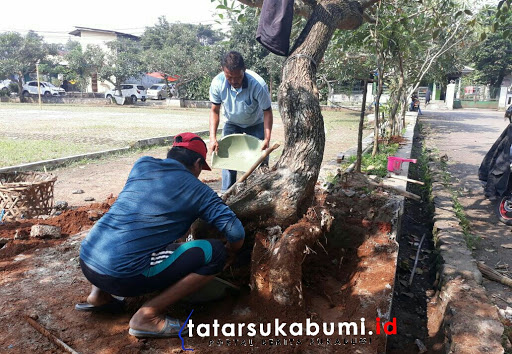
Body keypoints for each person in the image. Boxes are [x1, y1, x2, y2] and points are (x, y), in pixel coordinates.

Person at [75, 132, 245, 338]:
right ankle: (147, 316)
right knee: (215, 252)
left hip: (87, 259)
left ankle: (98, 296)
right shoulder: (199, 190)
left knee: (125, 225)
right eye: (201, 168)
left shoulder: (142, 164)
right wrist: (231, 252)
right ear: (198, 163)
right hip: (123, 275)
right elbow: (235, 231)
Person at [209, 51, 274, 193]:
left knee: (260, 158)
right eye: (229, 77)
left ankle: (259, 191)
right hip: (232, 123)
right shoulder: (217, 83)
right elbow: (215, 111)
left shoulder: (258, 85)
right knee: (226, 156)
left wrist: (267, 138)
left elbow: (267, 112)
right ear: (223, 71)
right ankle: (227, 192)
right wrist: (213, 138)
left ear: (244, 70)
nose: (233, 81)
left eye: (237, 77)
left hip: (256, 123)